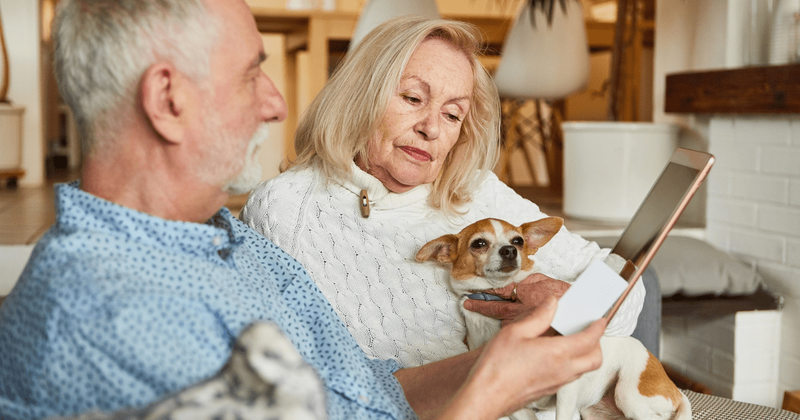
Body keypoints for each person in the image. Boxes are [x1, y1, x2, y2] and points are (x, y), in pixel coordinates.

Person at [0, 1, 608, 419]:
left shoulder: (225, 239)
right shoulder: (116, 317)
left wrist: (493, 366)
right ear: (167, 100)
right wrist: (487, 395)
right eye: (250, 75)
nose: (276, 103)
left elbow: (366, 389)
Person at [240, 16, 646, 419]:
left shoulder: (474, 190)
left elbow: (626, 283)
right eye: (413, 99)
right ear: (360, 95)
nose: (431, 128)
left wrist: (570, 308)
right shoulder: (285, 210)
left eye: (453, 115)